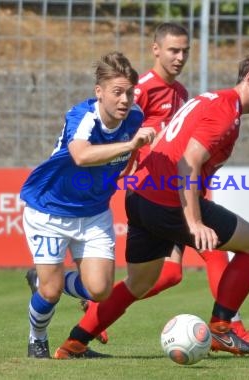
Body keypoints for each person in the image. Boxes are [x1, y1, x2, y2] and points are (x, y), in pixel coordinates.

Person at [53, 51, 249, 358]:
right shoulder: (224, 111)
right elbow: (188, 162)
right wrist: (193, 222)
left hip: (141, 195)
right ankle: (222, 328)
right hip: (167, 200)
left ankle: (73, 344)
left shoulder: (211, 100)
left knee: (140, 282)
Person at [21, 51, 156, 359]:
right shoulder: (82, 117)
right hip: (49, 210)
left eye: (129, 93)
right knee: (51, 292)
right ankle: (37, 338)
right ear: (99, 92)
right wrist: (130, 146)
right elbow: (81, 155)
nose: (124, 99)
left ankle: (44, 280)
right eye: (117, 92)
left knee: (100, 290)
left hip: (94, 213)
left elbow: (126, 155)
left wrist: (130, 161)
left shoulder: (134, 117)